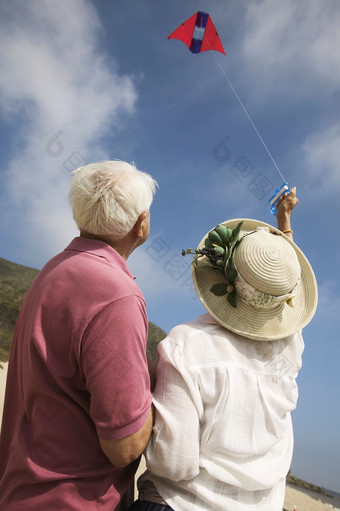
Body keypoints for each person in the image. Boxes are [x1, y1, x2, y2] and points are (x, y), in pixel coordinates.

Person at [130, 188, 318, 511]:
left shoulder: (185, 346)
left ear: (220, 272)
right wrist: (285, 222)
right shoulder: (289, 351)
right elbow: (283, 286)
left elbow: (172, 464)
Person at [0, 160, 158, 510]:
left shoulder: (52, 272)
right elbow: (124, 447)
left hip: (17, 490)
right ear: (141, 224)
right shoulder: (117, 295)